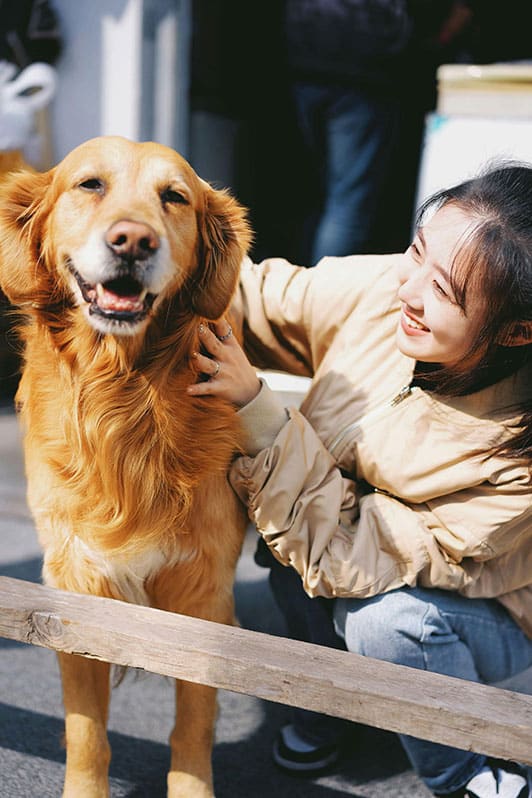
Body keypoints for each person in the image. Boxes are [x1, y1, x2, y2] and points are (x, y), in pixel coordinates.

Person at [187, 163, 532, 798]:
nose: (408, 290)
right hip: (346, 536)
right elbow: (257, 297)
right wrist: (160, 250)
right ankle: (331, 702)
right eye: (417, 251)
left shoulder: (517, 457)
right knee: (288, 546)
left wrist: (258, 411)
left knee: (387, 622)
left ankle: (464, 771)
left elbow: (350, 550)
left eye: (445, 291)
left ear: (517, 331)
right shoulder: (393, 287)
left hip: (487, 613)